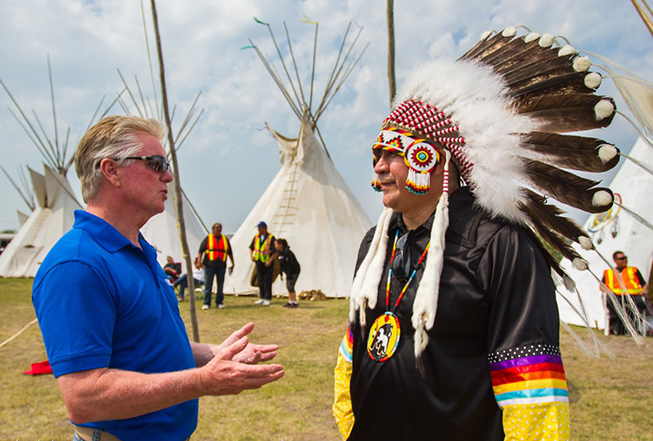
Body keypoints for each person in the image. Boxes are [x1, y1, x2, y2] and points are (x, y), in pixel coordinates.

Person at [333, 27, 622, 440]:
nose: (379, 166)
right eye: (376, 154)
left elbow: (531, 387)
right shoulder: (376, 243)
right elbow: (355, 348)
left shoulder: (500, 247)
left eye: (393, 152)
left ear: (434, 159)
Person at [32, 115, 283, 441]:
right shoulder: (78, 264)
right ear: (111, 171)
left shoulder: (137, 250)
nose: (168, 175)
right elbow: (84, 397)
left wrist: (215, 354)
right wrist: (203, 381)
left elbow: (150, 341)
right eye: (155, 163)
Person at [600, 251, 649, 335]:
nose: (624, 260)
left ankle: (635, 329)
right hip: (616, 295)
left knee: (639, 305)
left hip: (633, 295)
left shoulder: (634, 270)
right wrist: (608, 291)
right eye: (621, 259)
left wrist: (643, 291)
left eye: (625, 258)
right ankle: (616, 329)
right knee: (613, 305)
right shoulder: (609, 272)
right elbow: (601, 286)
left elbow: (644, 284)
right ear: (615, 260)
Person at [197, 222, 234, 310]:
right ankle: (206, 303)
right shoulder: (208, 238)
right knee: (208, 284)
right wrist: (199, 261)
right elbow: (200, 250)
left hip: (221, 265)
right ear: (213, 229)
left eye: (220, 227)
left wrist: (233, 263)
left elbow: (230, 252)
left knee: (220, 285)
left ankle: (219, 302)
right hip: (209, 265)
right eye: (217, 227)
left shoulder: (225, 239)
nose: (218, 229)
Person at [249, 221, 277, 306]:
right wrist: (251, 256)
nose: (258, 230)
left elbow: (275, 252)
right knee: (260, 280)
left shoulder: (271, 237)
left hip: (267, 262)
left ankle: (267, 298)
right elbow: (251, 248)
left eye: (260, 228)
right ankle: (261, 297)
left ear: (264, 228)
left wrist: (270, 261)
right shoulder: (256, 237)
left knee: (267, 281)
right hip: (259, 262)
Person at [275, 238, 301, 308]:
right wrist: (281, 273)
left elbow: (290, 264)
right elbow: (281, 263)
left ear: (281, 245)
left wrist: (289, 276)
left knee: (291, 286)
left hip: (294, 271)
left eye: (276, 244)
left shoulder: (288, 253)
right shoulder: (280, 253)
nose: (275, 246)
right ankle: (290, 301)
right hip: (288, 272)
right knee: (288, 286)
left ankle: (294, 302)